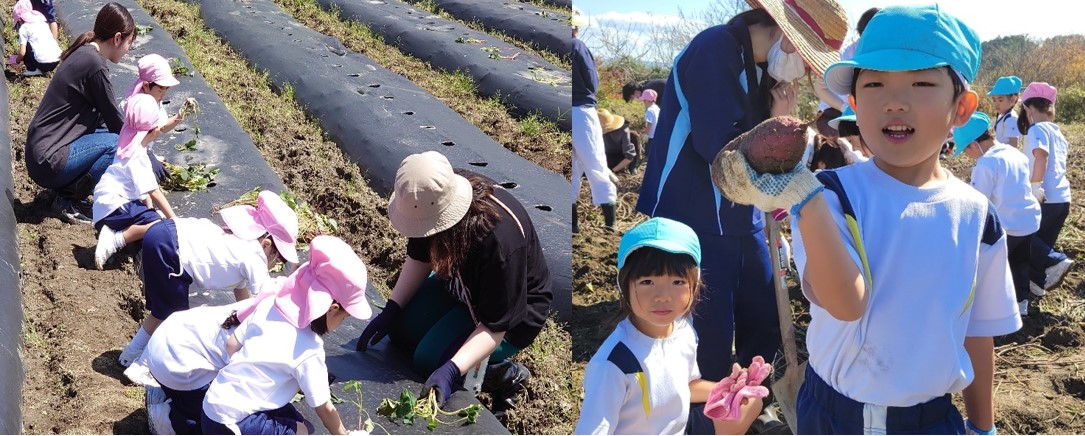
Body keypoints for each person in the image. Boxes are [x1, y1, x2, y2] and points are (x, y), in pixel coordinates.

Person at [723, 5, 1018, 433]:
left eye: (921, 82)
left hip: (931, 420)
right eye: (875, 84)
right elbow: (845, 303)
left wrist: (983, 425)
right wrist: (804, 196)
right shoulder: (829, 196)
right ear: (855, 105)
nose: (895, 101)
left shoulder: (978, 216)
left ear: (962, 108)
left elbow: (978, 333)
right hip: (834, 415)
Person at [635, 1, 848, 431]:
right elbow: (719, 144)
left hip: (743, 212)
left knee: (764, 305)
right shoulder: (717, 48)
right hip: (695, 211)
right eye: (805, 59)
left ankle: (755, 400)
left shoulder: (760, 67)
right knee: (708, 327)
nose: (803, 72)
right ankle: (704, 419)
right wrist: (775, 122)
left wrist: (778, 124)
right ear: (788, 37)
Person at [355, 152, 552, 413]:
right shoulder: (430, 197)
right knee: (400, 331)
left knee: (429, 360)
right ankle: (453, 345)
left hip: (510, 316)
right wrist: (392, 309)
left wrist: (451, 369)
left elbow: (496, 324)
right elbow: (420, 256)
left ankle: (503, 374)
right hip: (459, 287)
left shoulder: (498, 243)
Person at [575, 218, 762, 435]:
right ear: (624, 286)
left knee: (749, 401)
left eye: (677, 282)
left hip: (677, 428)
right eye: (647, 282)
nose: (663, 296)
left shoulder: (683, 332)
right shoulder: (614, 364)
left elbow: (685, 388)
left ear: (695, 286)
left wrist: (727, 388)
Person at [202, 235, 373, 435]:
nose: (340, 323)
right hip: (231, 425)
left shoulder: (269, 305)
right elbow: (325, 409)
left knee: (298, 422)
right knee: (302, 432)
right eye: (343, 318)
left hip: (211, 406)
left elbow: (231, 345)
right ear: (333, 309)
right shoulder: (309, 349)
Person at [117, 190, 300, 367]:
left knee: (162, 312)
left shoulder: (241, 242)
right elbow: (265, 296)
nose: (276, 265)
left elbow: (243, 297)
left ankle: (130, 355)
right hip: (172, 249)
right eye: (278, 259)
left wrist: (241, 319)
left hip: (164, 234)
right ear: (267, 244)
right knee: (175, 320)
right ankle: (144, 366)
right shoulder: (256, 255)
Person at [24, 3, 166, 224]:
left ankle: (66, 189)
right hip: (48, 160)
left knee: (111, 139)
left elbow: (103, 119)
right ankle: (66, 199)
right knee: (115, 144)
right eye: (129, 42)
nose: (129, 49)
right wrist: (146, 155)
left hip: (42, 153)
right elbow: (116, 124)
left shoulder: (86, 52)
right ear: (117, 38)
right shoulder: (94, 65)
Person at [123, 299, 256, 434]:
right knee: (214, 419)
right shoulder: (265, 334)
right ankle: (165, 419)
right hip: (176, 364)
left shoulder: (267, 302)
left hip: (162, 341)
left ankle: (164, 394)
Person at [953, 113, 1041, 316]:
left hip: (1006, 226)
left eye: (966, 150)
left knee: (993, 269)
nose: (968, 155)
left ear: (974, 144)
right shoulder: (1014, 153)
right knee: (1020, 264)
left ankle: (993, 309)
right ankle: (1021, 304)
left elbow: (979, 201)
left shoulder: (986, 164)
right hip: (1027, 222)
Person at [91, 93, 178, 269]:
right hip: (114, 207)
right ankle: (115, 239)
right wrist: (175, 220)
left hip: (106, 202)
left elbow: (143, 191)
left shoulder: (127, 140)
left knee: (152, 215)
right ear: (154, 130)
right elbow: (154, 192)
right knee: (160, 226)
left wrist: (149, 209)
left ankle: (115, 230)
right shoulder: (139, 156)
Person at [1019, 82, 1074, 295]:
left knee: (1025, 238)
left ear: (1028, 108)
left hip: (1046, 197)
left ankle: (1055, 261)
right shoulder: (1057, 132)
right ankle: (1038, 284)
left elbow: (1041, 157)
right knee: (1042, 243)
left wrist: (1035, 187)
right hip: (1062, 197)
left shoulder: (1037, 129)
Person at [571, 5, 617, 233]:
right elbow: (592, 83)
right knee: (596, 165)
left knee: (570, 169)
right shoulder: (577, 46)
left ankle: (573, 226)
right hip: (581, 112)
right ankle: (610, 223)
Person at [811, 7, 880, 136]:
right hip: (833, 114)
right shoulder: (843, 55)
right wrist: (845, 108)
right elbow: (819, 88)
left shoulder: (882, 57)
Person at [11, 0, 61, 76]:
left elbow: (22, 52)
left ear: (19, 19)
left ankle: (32, 69)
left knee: (27, 44)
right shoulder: (43, 23)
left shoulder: (24, 28)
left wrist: (16, 60)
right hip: (56, 60)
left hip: (43, 63)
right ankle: (42, 68)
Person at [597, 108, 639, 175]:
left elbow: (629, 156)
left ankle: (632, 167)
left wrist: (612, 171)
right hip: (608, 154)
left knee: (634, 136)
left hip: (622, 154)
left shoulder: (623, 130)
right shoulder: (596, 132)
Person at [988, 76, 1023, 148]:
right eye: (994, 100)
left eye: (1000, 100)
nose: (996, 104)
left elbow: (1014, 144)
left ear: (1012, 99)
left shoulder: (1011, 119)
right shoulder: (1001, 116)